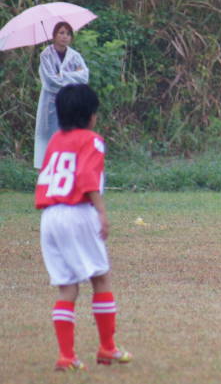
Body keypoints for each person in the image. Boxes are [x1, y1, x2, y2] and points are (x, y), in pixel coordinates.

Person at [35, 84, 131, 371]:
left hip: (50, 216)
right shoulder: (92, 140)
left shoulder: (55, 140)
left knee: (67, 287)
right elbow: (87, 176)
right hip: (78, 212)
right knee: (100, 278)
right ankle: (107, 348)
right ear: (90, 115)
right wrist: (101, 211)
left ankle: (67, 357)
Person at [34, 21, 89, 169]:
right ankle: (45, 172)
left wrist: (62, 75)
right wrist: (73, 76)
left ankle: (66, 171)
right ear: (54, 35)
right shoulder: (46, 55)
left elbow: (84, 77)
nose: (65, 36)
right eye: (61, 33)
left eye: (68, 34)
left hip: (69, 102)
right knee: (47, 137)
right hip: (50, 103)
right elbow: (50, 81)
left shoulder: (75, 56)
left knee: (69, 134)